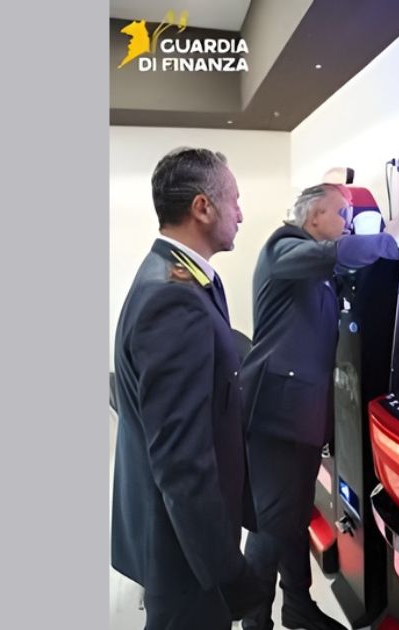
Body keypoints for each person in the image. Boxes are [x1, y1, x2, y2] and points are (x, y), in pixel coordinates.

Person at [111, 147, 275, 630]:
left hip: (181, 536)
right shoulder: (173, 298)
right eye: (234, 200)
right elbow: (181, 461)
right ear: (203, 207)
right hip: (184, 551)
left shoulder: (178, 275)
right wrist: (228, 572)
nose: (241, 214)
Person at [239, 183, 399, 630]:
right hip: (277, 416)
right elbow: (335, 254)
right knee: (272, 524)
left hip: (299, 412)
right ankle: (253, 620)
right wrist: (393, 235)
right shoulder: (284, 247)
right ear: (313, 217)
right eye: (341, 214)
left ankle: (297, 605)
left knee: (292, 516)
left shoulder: (312, 263)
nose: (348, 224)